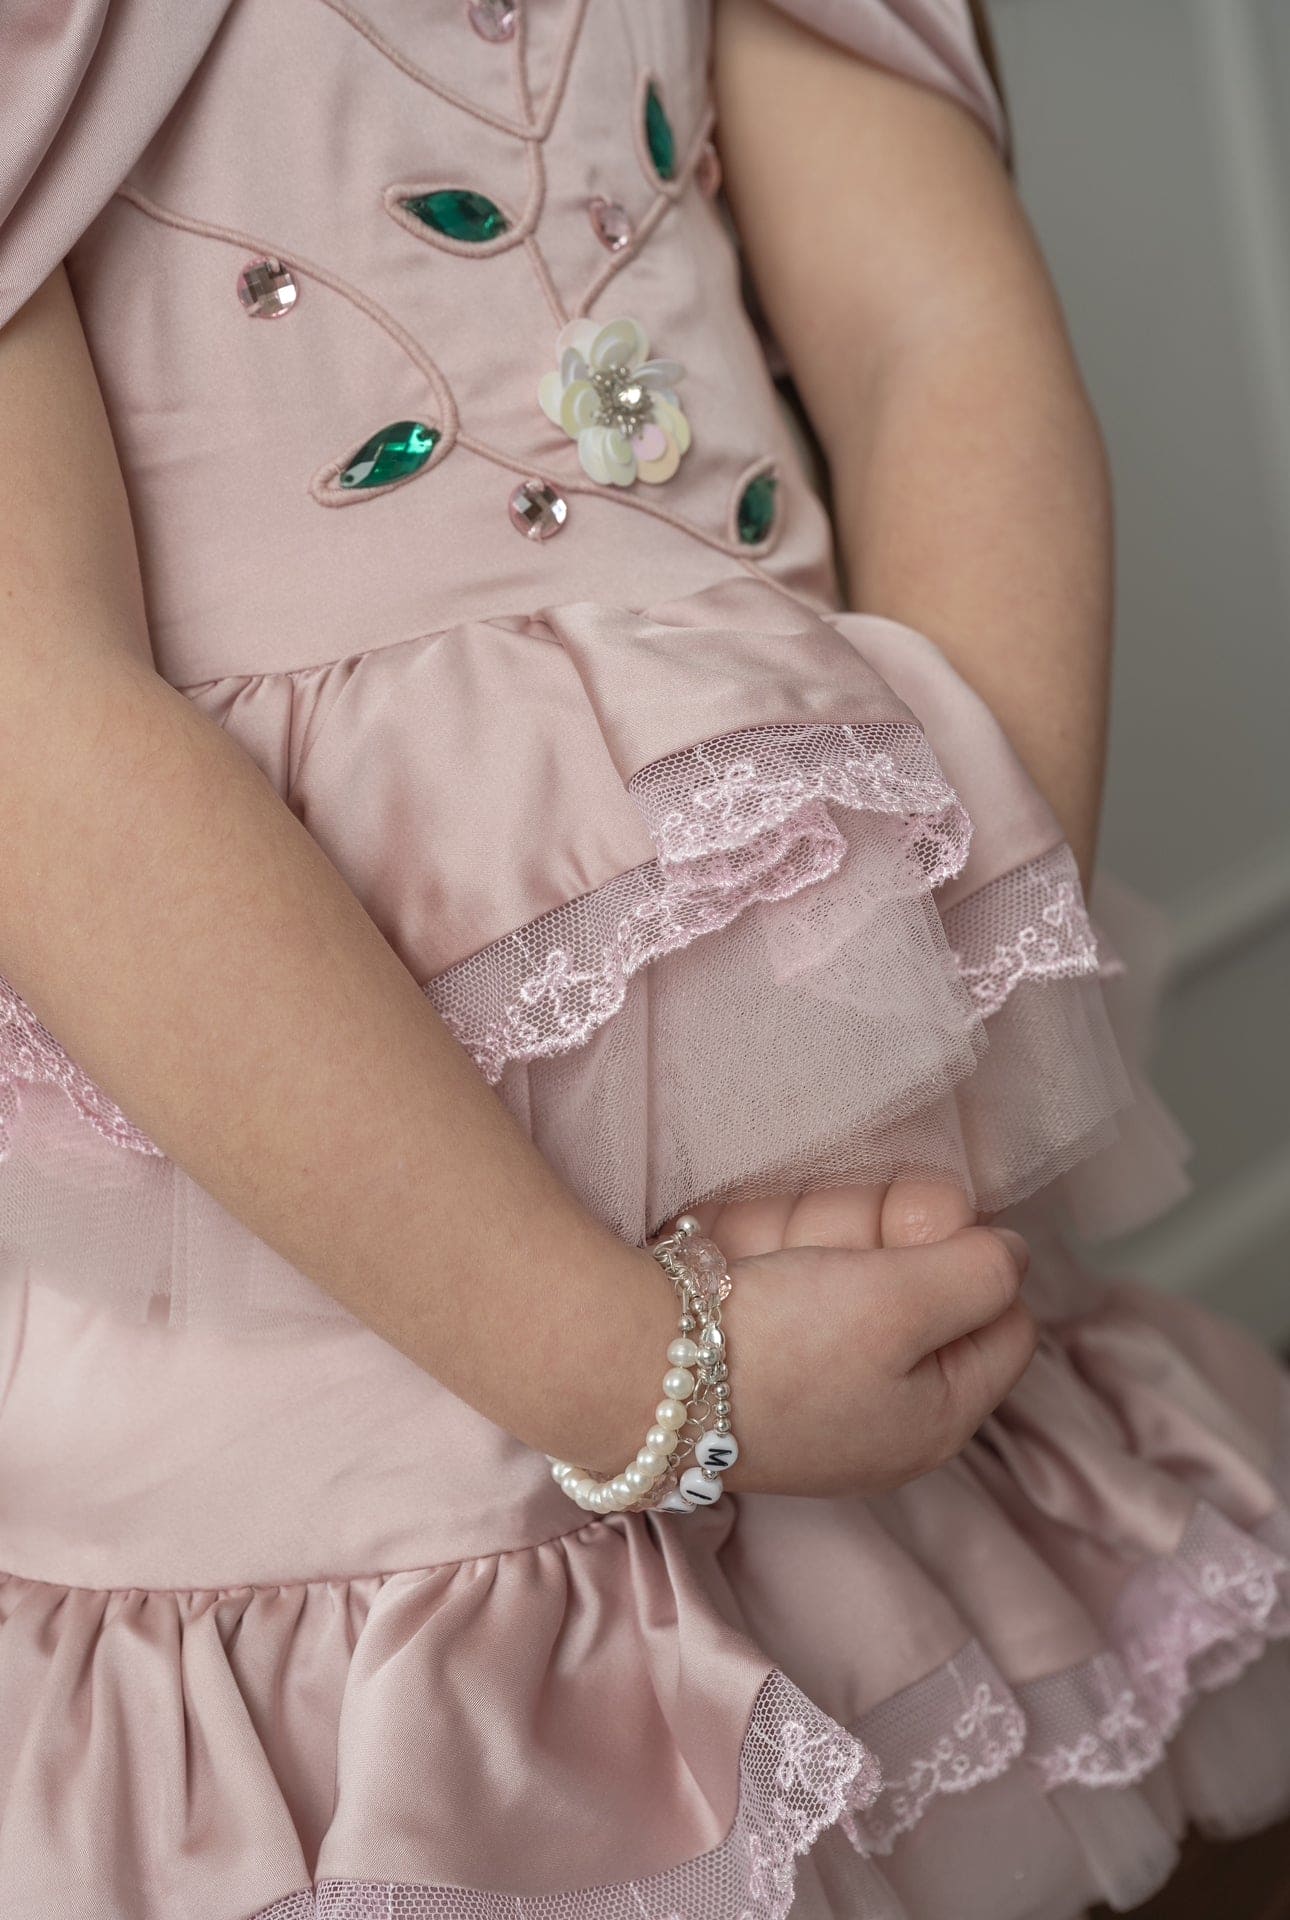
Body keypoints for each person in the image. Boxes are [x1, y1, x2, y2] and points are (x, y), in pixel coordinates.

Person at [1, 2, 1286, 1916]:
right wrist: (625, 1374)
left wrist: (928, 1067)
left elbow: (942, 352)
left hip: (826, 1129)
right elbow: (37, 708)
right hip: (292, 1143)